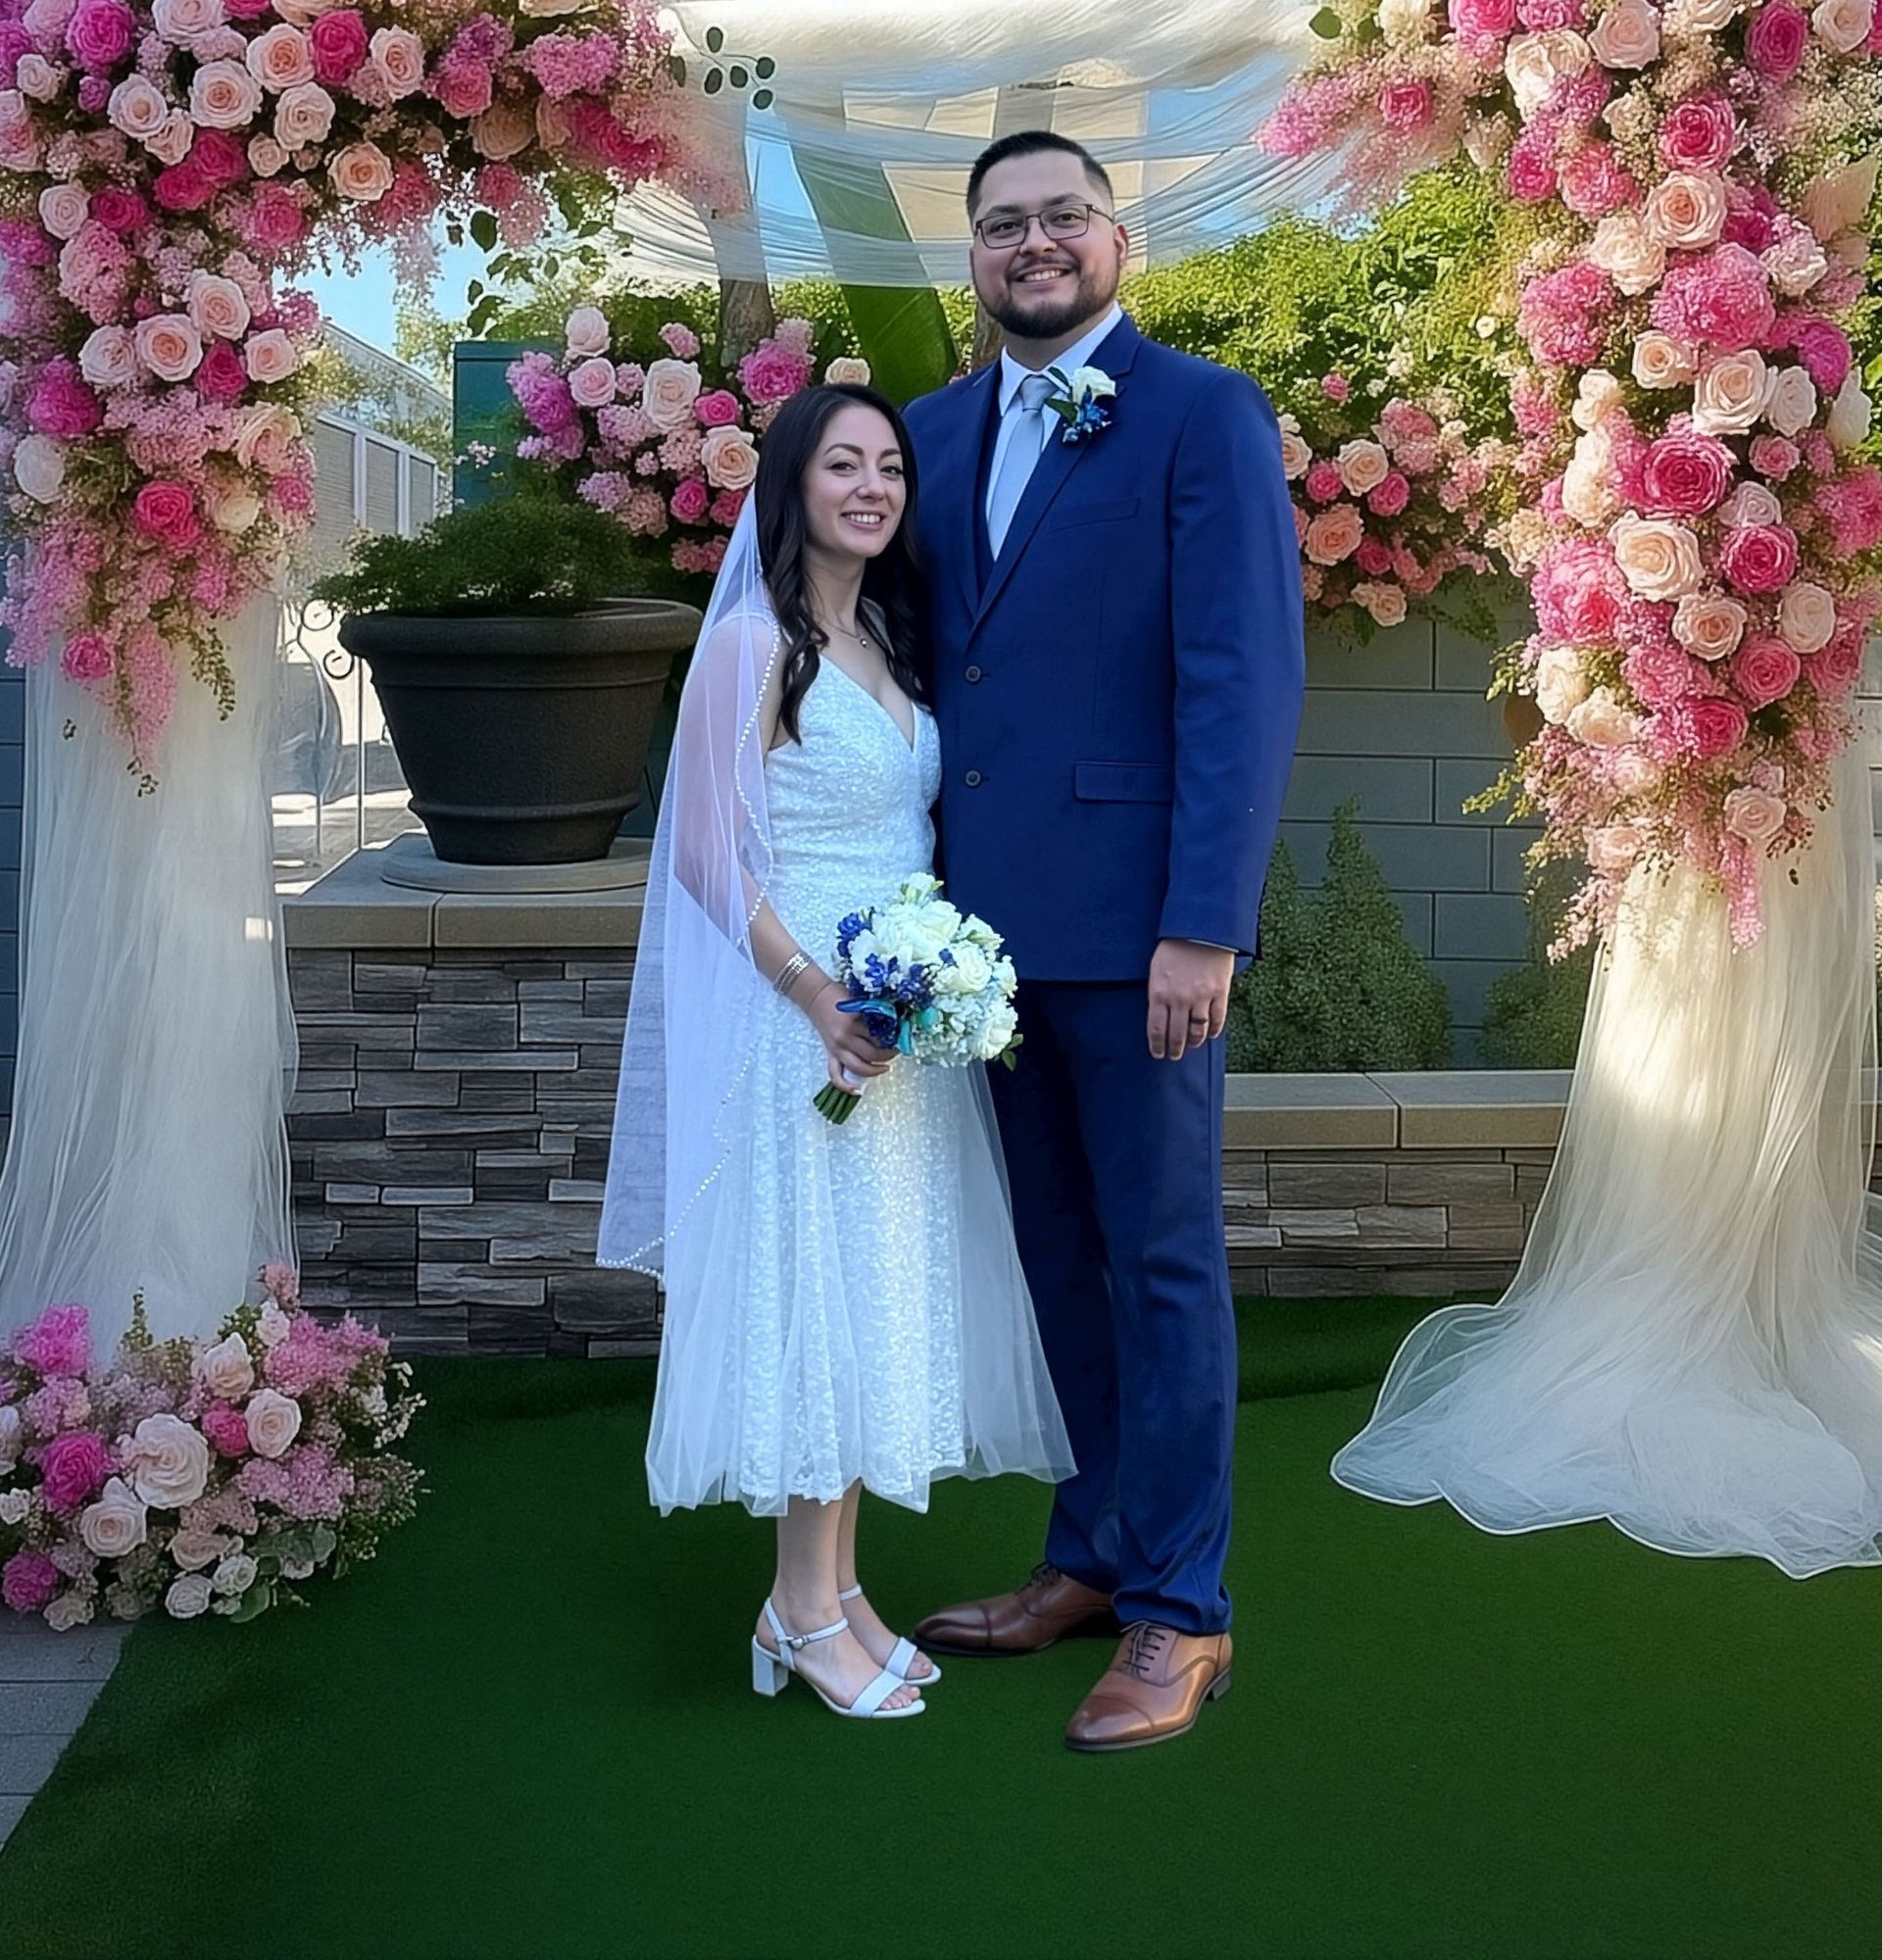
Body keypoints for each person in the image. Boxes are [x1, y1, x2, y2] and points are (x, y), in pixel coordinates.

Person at [904, 130, 1306, 1752]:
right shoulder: (926, 434)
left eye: (1064, 214)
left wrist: (1203, 922)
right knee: (1054, 1260)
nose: (1035, 242)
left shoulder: (1203, 415)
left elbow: (1242, 683)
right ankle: (1089, 1554)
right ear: (976, 258)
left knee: (1160, 1264)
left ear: (1116, 237)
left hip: (1145, 938)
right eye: (1005, 225)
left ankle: (1181, 1610)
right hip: (973, 949)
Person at [598, 383, 1073, 1723]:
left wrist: (926, 982)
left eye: (891, 468)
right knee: (816, 1305)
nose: (872, 486)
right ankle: (802, 1609)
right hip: (800, 1023)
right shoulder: (752, 643)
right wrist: (815, 991)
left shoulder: (882, 636)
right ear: (794, 485)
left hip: (895, 1030)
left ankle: (832, 1590)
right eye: (844, 465)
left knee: (870, 1300)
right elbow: (702, 852)